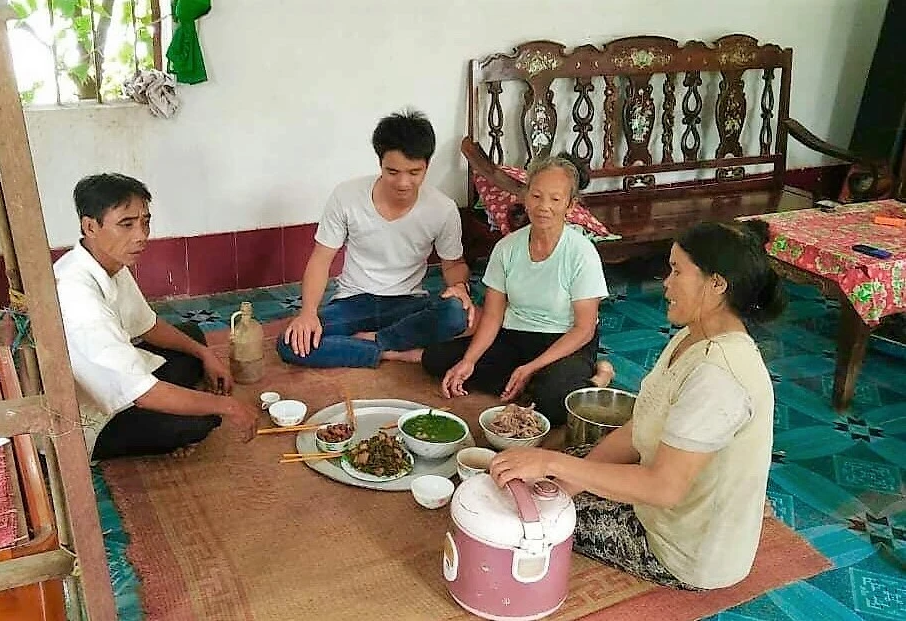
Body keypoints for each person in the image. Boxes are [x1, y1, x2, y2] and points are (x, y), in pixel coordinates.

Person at [488, 219, 787, 590]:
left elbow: (664, 488)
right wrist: (565, 480)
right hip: (663, 491)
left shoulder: (720, 375)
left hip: (680, 547)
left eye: (677, 271)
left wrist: (552, 466)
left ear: (717, 284)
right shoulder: (692, 335)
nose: (666, 282)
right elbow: (640, 426)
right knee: (547, 477)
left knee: (520, 515)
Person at [54, 173, 258, 460]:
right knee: (202, 421)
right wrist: (229, 406)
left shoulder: (108, 261)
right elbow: (143, 394)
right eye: (126, 224)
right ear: (90, 226)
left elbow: (147, 326)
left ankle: (181, 397)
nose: (141, 235)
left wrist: (205, 354)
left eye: (145, 222)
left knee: (191, 337)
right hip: (90, 418)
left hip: (121, 379)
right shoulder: (78, 296)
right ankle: (174, 415)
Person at [421, 154, 612, 426]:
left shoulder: (582, 253)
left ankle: (599, 377)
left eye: (555, 199)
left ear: (570, 205)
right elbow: (493, 315)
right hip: (516, 337)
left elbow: (584, 329)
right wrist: (469, 361)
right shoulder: (507, 248)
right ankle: (529, 381)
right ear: (525, 197)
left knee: (554, 402)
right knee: (437, 359)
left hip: (566, 341)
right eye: (536, 196)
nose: (544, 206)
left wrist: (531, 367)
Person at [277, 110, 473, 368]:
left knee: (456, 315)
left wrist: (459, 287)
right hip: (353, 303)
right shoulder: (346, 196)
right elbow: (321, 260)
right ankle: (391, 351)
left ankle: (370, 344)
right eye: (393, 171)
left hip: (408, 304)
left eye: (414, 172)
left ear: (427, 165)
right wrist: (308, 313)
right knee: (290, 343)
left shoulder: (443, 209)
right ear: (380, 162)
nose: (403, 183)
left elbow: (453, 264)